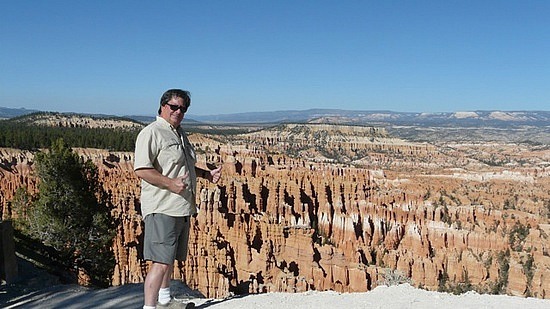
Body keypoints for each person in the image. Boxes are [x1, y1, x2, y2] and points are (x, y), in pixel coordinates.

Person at [134, 89, 222, 309]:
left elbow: (185, 167)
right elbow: (142, 170)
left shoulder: (179, 133)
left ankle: (165, 300)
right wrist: (170, 183)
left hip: (181, 207)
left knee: (168, 258)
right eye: (174, 106)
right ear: (163, 105)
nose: (178, 111)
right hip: (162, 206)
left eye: (183, 108)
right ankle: (149, 307)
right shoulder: (151, 132)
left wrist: (206, 174)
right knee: (160, 262)